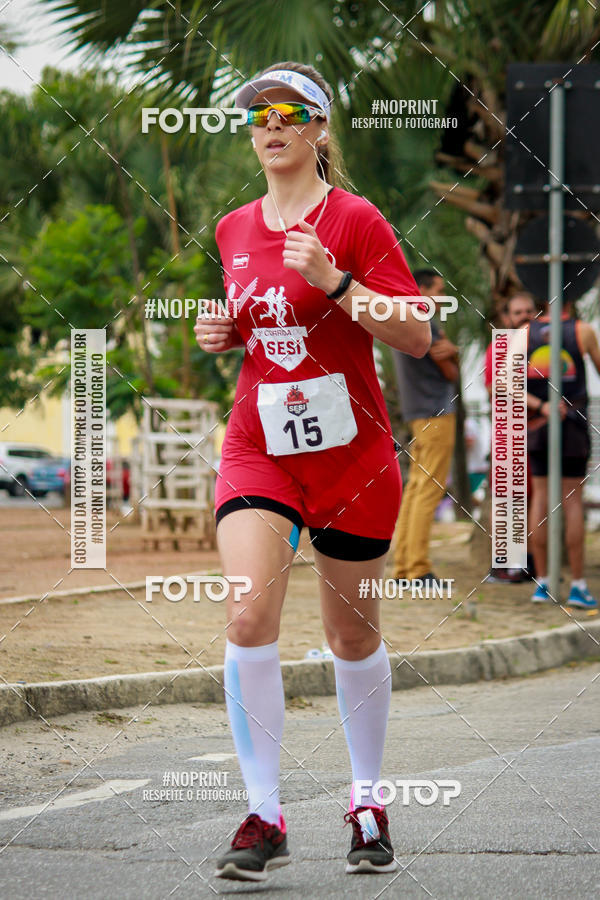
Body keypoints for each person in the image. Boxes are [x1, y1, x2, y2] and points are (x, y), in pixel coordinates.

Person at [194, 61, 431, 881]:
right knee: (249, 615)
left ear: (320, 130)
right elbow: (257, 329)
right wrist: (223, 335)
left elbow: (415, 335)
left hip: (354, 458)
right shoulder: (231, 229)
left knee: (350, 635)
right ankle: (263, 813)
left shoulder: (356, 219)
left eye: (290, 111)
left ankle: (367, 799)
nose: (270, 123)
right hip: (258, 446)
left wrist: (336, 281)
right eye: (257, 112)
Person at [526, 298, 600, 609]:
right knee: (572, 502)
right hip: (572, 424)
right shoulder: (582, 331)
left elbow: (509, 384)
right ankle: (579, 585)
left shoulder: (524, 333)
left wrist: (541, 405)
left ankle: (542, 582)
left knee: (540, 497)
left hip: (538, 425)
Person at [391, 270, 459, 586]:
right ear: (420, 289)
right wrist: (454, 352)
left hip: (418, 412)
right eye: (438, 289)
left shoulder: (399, 318)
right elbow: (449, 371)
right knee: (428, 491)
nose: (442, 296)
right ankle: (417, 568)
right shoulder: (424, 319)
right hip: (437, 411)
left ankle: (404, 567)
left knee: (416, 490)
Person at [484, 291, 536, 582]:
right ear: (508, 318)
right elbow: (494, 388)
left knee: (530, 500)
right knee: (507, 500)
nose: (525, 316)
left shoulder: (542, 347)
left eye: (529, 311)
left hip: (536, 436)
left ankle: (525, 562)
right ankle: (503, 564)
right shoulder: (500, 347)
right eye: (518, 313)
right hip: (508, 434)